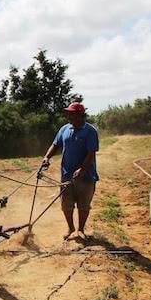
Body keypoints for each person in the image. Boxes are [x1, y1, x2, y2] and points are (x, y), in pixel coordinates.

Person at [39, 102, 99, 240]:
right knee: (66, 204)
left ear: (80, 114)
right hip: (66, 174)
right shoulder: (64, 129)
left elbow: (91, 154)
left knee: (83, 205)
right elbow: (55, 145)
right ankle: (70, 228)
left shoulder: (90, 131)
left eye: (71, 113)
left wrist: (82, 170)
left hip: (85, 176)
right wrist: (47, 157)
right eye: (68, 113)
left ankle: (80, 229)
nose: (68, 115)